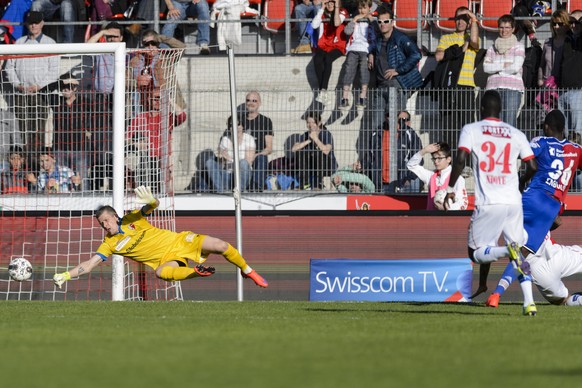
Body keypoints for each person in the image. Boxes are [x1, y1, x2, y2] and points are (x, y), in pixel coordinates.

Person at [52, 186, 268, 289]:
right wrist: (65, 275)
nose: (105, 225)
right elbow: (89, 265)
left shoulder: (131, 219)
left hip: (180, 241)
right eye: (101, 224)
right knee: (161, 273)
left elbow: (153, 206)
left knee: (220, 245)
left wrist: (153, 200)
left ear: (115, 217)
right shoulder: (109, 244)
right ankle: (196, 272)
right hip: (167, 259)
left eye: (107, 220)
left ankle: (248, 271)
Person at [444, 90, 538, 316]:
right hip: (514, 203)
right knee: (518, 254)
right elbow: (533, 166)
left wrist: (449, 188)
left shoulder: (472, 129)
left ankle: (507, 250)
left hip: (489, 202)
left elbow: (460, 159)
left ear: (482, 108)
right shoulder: (515, 133)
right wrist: (520, 184)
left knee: (475, 253)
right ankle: (529, 302)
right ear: (501, 110)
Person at [479, 109, 582, 309]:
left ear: (546, 127)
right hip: (551, 208)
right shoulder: (576, 149)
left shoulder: (541, 142)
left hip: (532, 200)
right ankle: (496, 293)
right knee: (524, 250)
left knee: (509, 244)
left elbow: (522, 156)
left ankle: (491, 289)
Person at [4, 11, 59, 162]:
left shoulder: (50, 43)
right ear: (27, 24)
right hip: (21, 94)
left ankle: (36, 165)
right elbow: (9, 67)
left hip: (41, 95)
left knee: (38, 132)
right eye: (31, 22)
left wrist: (39, 86)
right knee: (22, 131)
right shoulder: (19, 43)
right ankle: (25, 165)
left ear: (42, 23)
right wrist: (18, 85)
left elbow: (54, 70)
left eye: (36, 22)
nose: (33, 25)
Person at [484, 232, 582, 307]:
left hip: (540, 270)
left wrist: (497, 292)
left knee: (564, 300)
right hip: (555, 254)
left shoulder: (510, 222)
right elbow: (557, 220)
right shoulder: (539, 207)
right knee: (562, 300)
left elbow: (518, 259)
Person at [434, 6, 481, 149]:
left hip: (466, 86)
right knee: (449, 126)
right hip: (449, 86)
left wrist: (473, 18)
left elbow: (474, 40)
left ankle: (465, 164)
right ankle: (449, 164)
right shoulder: (446, 37)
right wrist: (459, 50)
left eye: (464, 19)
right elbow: (438, 56)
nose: (461, 22)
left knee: (466, 127)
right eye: (458, 18)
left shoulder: (472, 38)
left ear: (469, 23)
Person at [126, 87, 187, 191]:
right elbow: (126, 138)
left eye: (161, 99)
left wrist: (169, 101)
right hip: (145, 157)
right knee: (132, 162)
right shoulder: (141, 117)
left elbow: (182, 116)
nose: (159, 101)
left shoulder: (167, 117)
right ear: (149, 99)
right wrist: (137, 144)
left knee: (165, 182)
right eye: (156, 98)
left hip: (163, 158)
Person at [483, 14, 525, 128]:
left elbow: (516, 67)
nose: (504, 30)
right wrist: (503, 65)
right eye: (501, 27)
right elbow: (486, 68)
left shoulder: (519, 46)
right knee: (494, 124)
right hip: (493, 88)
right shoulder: (492, 48)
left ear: (513, 29)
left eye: (507, 27)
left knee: (509, 123)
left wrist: (496, 69)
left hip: (513, 87)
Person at [52, 74, 93, 189]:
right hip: (60, 148)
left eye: (69, 87)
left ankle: (86, 206)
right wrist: (60, 82)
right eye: (63, 87)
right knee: (61, 181)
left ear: (75, 88)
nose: (66, 89)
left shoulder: (85, 103)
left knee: (82, 181)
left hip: (80, 148)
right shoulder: (56, 102)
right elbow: (42, 91)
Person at [406, 142, 468, 211]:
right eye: (434, 158)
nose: (436, 161)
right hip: (431, 220)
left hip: (449, 220)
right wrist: (424, 151)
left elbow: (463, 204)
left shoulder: (458, 179)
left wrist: (446, 208)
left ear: (449, 159)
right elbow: (411, 165)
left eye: (439, 158)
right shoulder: (431, 176)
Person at [339, 0, 375, 111]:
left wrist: (371, 21)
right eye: (359, 8)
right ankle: (344, 98)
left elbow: (377, 34)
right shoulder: (355, 19)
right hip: (353, 49)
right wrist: (354, 20)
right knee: (348, 70)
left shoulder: (372, 20)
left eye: (364, 8)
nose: (361, 11)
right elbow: (347, 32)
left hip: (366, 49)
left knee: (364, 71)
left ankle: (362, 96)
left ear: (369, 8)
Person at [311, 0, 348, 105]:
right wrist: (321, 9)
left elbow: (337, 23)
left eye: (332, 2)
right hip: (324, 44)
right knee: (317, 59)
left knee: (328, 59)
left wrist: (336, 7)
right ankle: (323, 91)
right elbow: (314, 25)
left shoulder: (342, 11)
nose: (330, 4)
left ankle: (323, 90)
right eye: (328, 2)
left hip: (338, 45)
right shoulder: (323, 12)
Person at [205, 116, 256, 193]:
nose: (235, 127)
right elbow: (222, 163)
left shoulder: (249, 139)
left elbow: (248, 162)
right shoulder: (225, 139)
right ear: (229, 128)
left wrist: (229, 159)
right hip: (228, 175)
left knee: (243, 163)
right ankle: (221, 192)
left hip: (243, 176)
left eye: (238, 124)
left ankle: (239, 192)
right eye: (232, 125)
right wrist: (221, 158)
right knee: (209, 162)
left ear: (242, 126)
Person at [291, 111, 337, 189]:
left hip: (325, 166)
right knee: (301, 153)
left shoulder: (326, 134)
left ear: (318, 123)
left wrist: (315, 139)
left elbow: (326, 151)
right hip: (311, 166)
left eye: (313, 122)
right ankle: (305, 184)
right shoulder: (305, 135)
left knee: (319, 153)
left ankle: (318, 184)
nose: (310, 125)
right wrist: (308, 140)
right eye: (308, 122)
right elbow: (294, 149)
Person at [241, 91, 274, 191]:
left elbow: (269, 148)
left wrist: (255, 155)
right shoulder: (239, 120)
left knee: (261, 158)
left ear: (259, 103)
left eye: (254, 100)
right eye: (248, 100)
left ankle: (256, 187)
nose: (251, 103)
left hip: (257, 157)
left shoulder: (265, 121)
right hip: (241, 156)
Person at [385, 111, 423, 194]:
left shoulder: (412, 135)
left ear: (409, 122)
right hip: (391, 179)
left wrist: (410, 177)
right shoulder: (389, 134)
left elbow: (418, 159)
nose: (401, 122)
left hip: (407, 178)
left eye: (404, 119)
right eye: (399, 119)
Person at [558, 9, 582, 134]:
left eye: (578, 22)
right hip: (563, 91)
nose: (574, 25)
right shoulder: (566, 40)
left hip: (579, 91)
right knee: (567, 132)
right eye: (571, 22)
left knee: (578, 131)